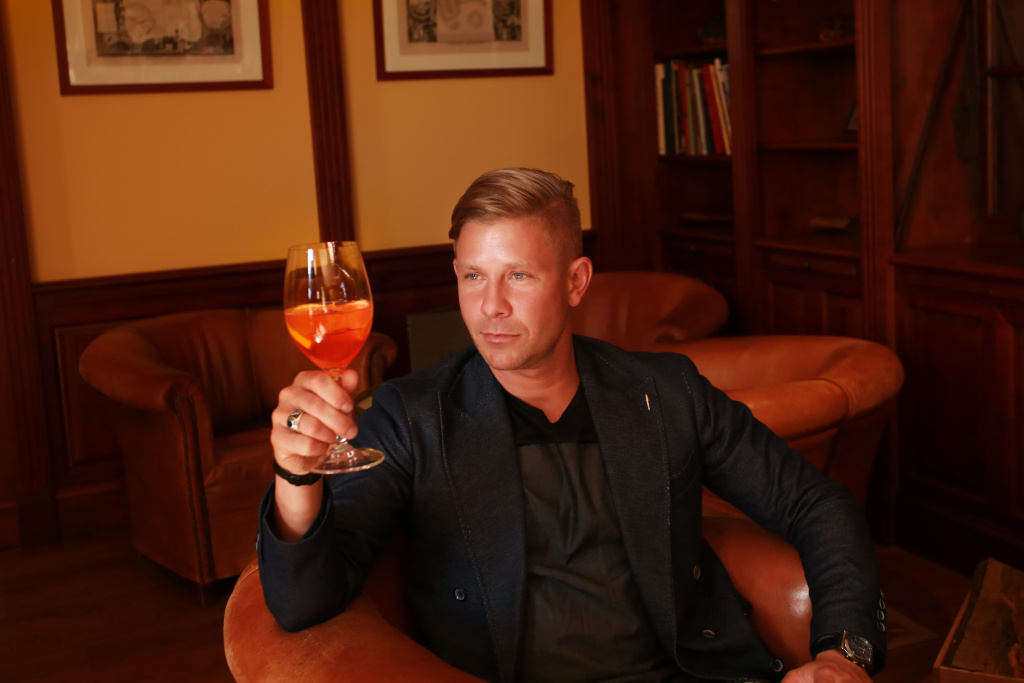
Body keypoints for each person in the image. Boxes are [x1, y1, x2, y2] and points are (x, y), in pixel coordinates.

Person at [258, 168, 887, 682]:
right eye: (474, 276)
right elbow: (302, 605)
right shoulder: (412, 415)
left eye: (519, 275)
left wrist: (843, 653)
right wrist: (295, 476)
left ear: (576, 282)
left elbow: (815, 503)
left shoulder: (667, 391)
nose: (491, 305)